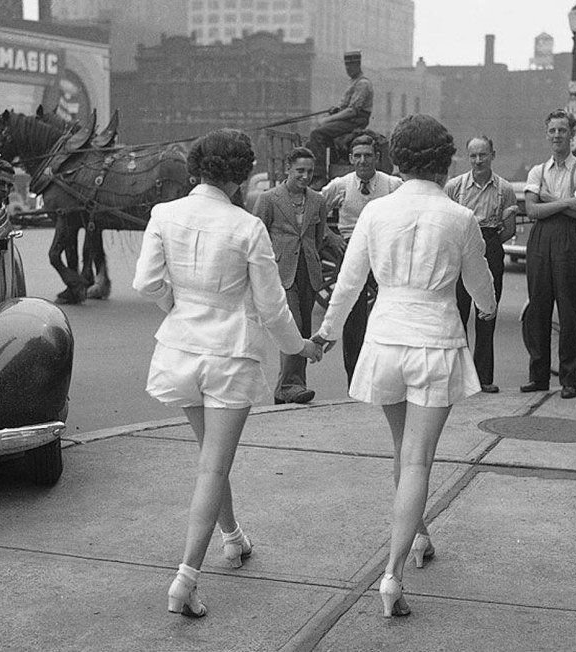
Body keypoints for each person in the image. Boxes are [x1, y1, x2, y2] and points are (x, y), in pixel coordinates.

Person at [132, 129, 323, 618]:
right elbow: (273, 307)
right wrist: (299, 347)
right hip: (229, 356)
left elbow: (146, 282)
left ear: (197, 168)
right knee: (213, 467)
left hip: (179, 351)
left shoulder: (163, 214)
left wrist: (177, 307)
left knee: (209, 459)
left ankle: (233, 537)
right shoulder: (247, 227)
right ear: (240, 175)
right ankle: (185, 579)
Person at [313, 114, 496, 618]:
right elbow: (480, 284)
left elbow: (348, 283)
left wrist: (327, 333)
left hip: (386, 340)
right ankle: (392, 573)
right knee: (418, 459)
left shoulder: (376, 212)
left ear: (397, 159)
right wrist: (486, 308)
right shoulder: (460, 217)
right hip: (435, 341)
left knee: (402, 448)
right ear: (445, 161)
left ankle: (418, 535)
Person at [520, 109, 576, 399]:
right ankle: (538, 377)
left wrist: (549, 199)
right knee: (538, 308)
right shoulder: (537, 171)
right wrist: (567, 203)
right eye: (552, 130)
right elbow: (532, 210)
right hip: (541, 240)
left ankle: (569, 380)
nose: (557, 135)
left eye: (562, 130)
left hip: (571, 240)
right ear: (546, 134)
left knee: (569, 310)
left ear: (572, 135)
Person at [321, 133, 403, 385]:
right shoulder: (340, 185)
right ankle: (354, 381)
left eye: (368, 155)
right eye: (357, 156)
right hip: (351, 252)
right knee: (352, 317)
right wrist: (331, 236)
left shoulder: (392, 185)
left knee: (389, 311)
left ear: (377, 157)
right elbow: (315, 210)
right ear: (350, 159)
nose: (363, 161)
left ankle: (387, 377)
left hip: (383, 254)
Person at [253, 147, 330, 405]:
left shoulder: (318, 201)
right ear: (288, 169)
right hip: (280, 273)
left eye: (310, 171)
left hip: (308, 272)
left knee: (304, 327)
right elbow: (256, 235)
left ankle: (289, 389)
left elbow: (318, 237)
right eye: (300, 171)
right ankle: (290, 385)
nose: (305, 176)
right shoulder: (269, 199)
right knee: (293, 326)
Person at [444, 135, 519, 393]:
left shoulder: (504, 189)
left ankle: (483, 378)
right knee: (458, 313)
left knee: (487, 312)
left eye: (483, 155)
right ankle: (460, 378)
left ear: (492, 156)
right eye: (473, 155)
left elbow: (509, 229)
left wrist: (489, 245)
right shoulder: (454, 187)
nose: (478, 160)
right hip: (461, 249)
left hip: (491, 246)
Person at [307, 51, 373, 187]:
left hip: (356, 120)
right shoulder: (353, 82)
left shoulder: (363, 84)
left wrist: (327, 120)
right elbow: (344, 106)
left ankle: (319, 177)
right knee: (319, 135)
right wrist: (336, 110)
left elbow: (352, 111)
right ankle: (330, 167)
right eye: (346, 66)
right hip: (350, 119)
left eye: (351, 66)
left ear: (358, 65)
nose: (348, 69)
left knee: (317, 133)